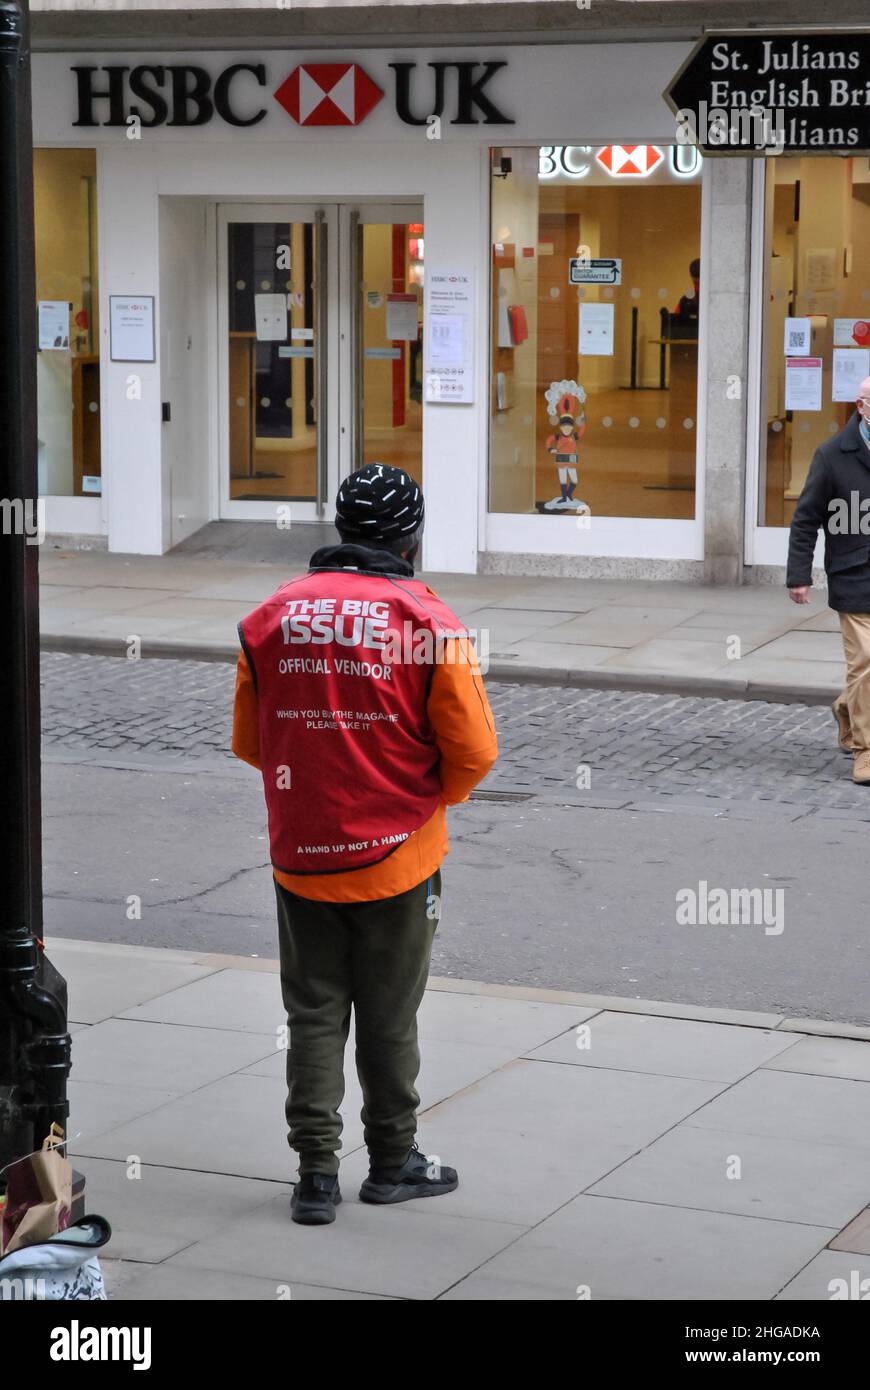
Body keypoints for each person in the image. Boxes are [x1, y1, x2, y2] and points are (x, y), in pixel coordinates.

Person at [232, 463, 498, 1224]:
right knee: (389, 1014)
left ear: (342, 528)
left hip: (300, 851)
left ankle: (315, 1174)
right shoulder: (425, 621)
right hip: (399, 855)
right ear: (411, 537)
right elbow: (474, 750)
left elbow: (253, 741)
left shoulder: (271, 616)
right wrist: (423, 801)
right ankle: (391, 1162)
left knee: (313, 1009)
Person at [787, 377, 870, 785]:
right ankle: (866, 752)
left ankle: (847, 707)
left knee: (865, 674)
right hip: (855, 576)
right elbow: (806, 519)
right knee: (865, 662)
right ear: (862, 405)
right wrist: (799, 575)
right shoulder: (833, 454)